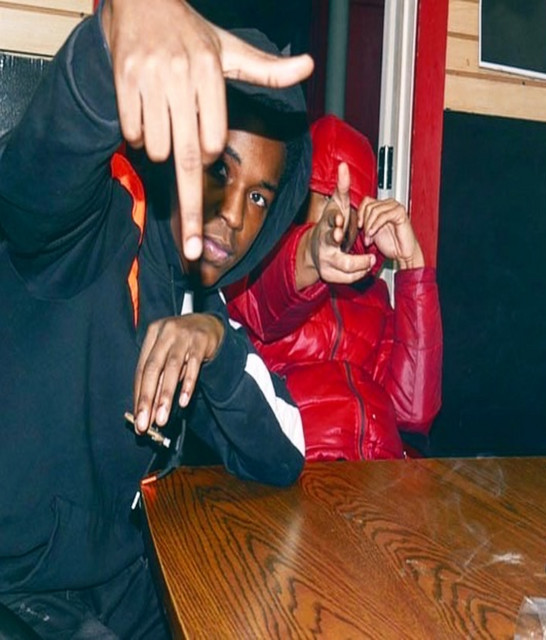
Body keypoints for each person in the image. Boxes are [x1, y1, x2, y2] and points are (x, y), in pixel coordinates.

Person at [0, 0, 313, 636]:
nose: (235, 215)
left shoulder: (203, 310)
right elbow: (29, 188)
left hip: (118, 579)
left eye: (259, 196)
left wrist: (218, 345)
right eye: (220, 169)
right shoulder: (98, 220)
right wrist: (108, 48)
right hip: (17, 584)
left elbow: (284, 456)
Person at [226, 115, 443, 461]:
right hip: (297, 469)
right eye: (324, 197)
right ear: (297, 201)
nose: (337, 213)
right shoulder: (257, 266)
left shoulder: (374, 296)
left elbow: (412, 415)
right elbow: (269, 300)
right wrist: (311, 255)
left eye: (348, 202)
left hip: (379, 473)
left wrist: (411, 263)